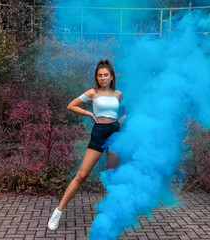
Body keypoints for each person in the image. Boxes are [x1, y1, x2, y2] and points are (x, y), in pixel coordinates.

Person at [48, 60, 127, 231]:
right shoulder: (92, 92)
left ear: (111, 76)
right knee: (82, 175)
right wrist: (89, 113)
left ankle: (108, 218)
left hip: (115, 134)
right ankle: (58, 211)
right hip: (98, 133)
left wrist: (122, 118)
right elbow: (71, 105)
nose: (102, 78)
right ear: (96, 78)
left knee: (110, 177)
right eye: (99, 75)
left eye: (106, 75)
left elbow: (123, 111)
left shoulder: (118, 94)